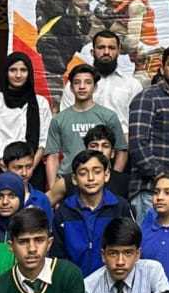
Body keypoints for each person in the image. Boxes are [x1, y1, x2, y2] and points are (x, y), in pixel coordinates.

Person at [43, 63, 125, 202]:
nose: (82, 86)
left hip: (99, 183)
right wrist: (54, 190)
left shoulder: (109, 116)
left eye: (87, 82)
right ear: (70, 87)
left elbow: (121, 150)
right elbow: (53, 156)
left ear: (95, 87)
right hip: (68, 182)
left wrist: (112, 181)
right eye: (77, 82)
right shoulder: (59, 119)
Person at [127, 44, 169, 201]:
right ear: (162, 69)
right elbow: (137, 144)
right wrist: (163, 177)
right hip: (149, 190)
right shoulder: (147, 98)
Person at [53, 149, 126, 275]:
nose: (90, 178)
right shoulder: (64, 211)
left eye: (97, 172)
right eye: (83, 173)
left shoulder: (120, 207)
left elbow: (130, 246)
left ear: (106, 175)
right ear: (74, 179)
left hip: (113, 280)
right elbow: (58, 256)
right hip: (74, 282)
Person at [35, 0, 95, 108]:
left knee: (55, 80)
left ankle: (58, 108)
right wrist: (91, 11)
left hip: (50, 37)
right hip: (60, 34)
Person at [0, 52, 51, 174]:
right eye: (13, 70)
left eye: (23, 70)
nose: (18, 75)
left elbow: (44, 141)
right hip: (2, 170)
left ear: (29, 73)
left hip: (34, 169)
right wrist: (11, 171)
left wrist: (28, 169)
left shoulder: (41, 103)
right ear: (6, 73)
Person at [66, 28, 144, 118]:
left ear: (118, 52)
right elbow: (66, 120)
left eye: (111, 48)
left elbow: (138, 120)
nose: (106, 52)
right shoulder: (75, 86)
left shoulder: (132, 85)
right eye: (101, 47)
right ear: (92, 52)